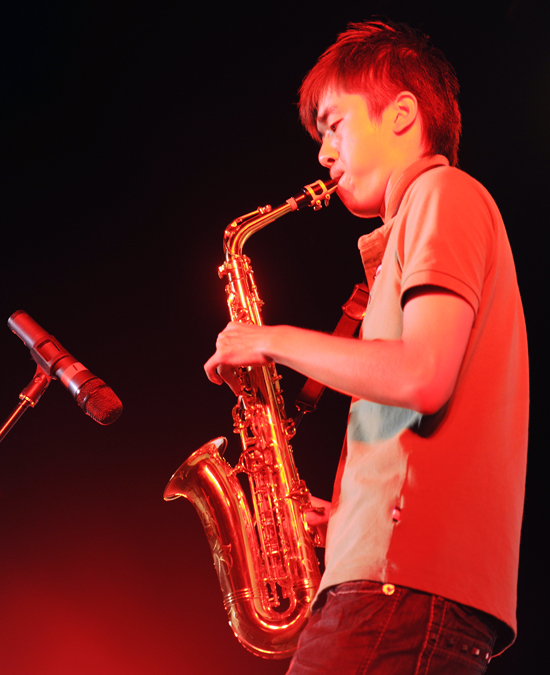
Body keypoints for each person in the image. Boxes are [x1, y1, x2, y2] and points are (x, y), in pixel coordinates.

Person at [204, 19, 529, 675]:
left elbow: (422, 375)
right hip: (395, 587)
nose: (325, 154)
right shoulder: (416, 226)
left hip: (398, 595)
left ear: (403, 115)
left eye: (334, 126)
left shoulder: (444, 194)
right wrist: (350, 521)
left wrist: (270, 340)